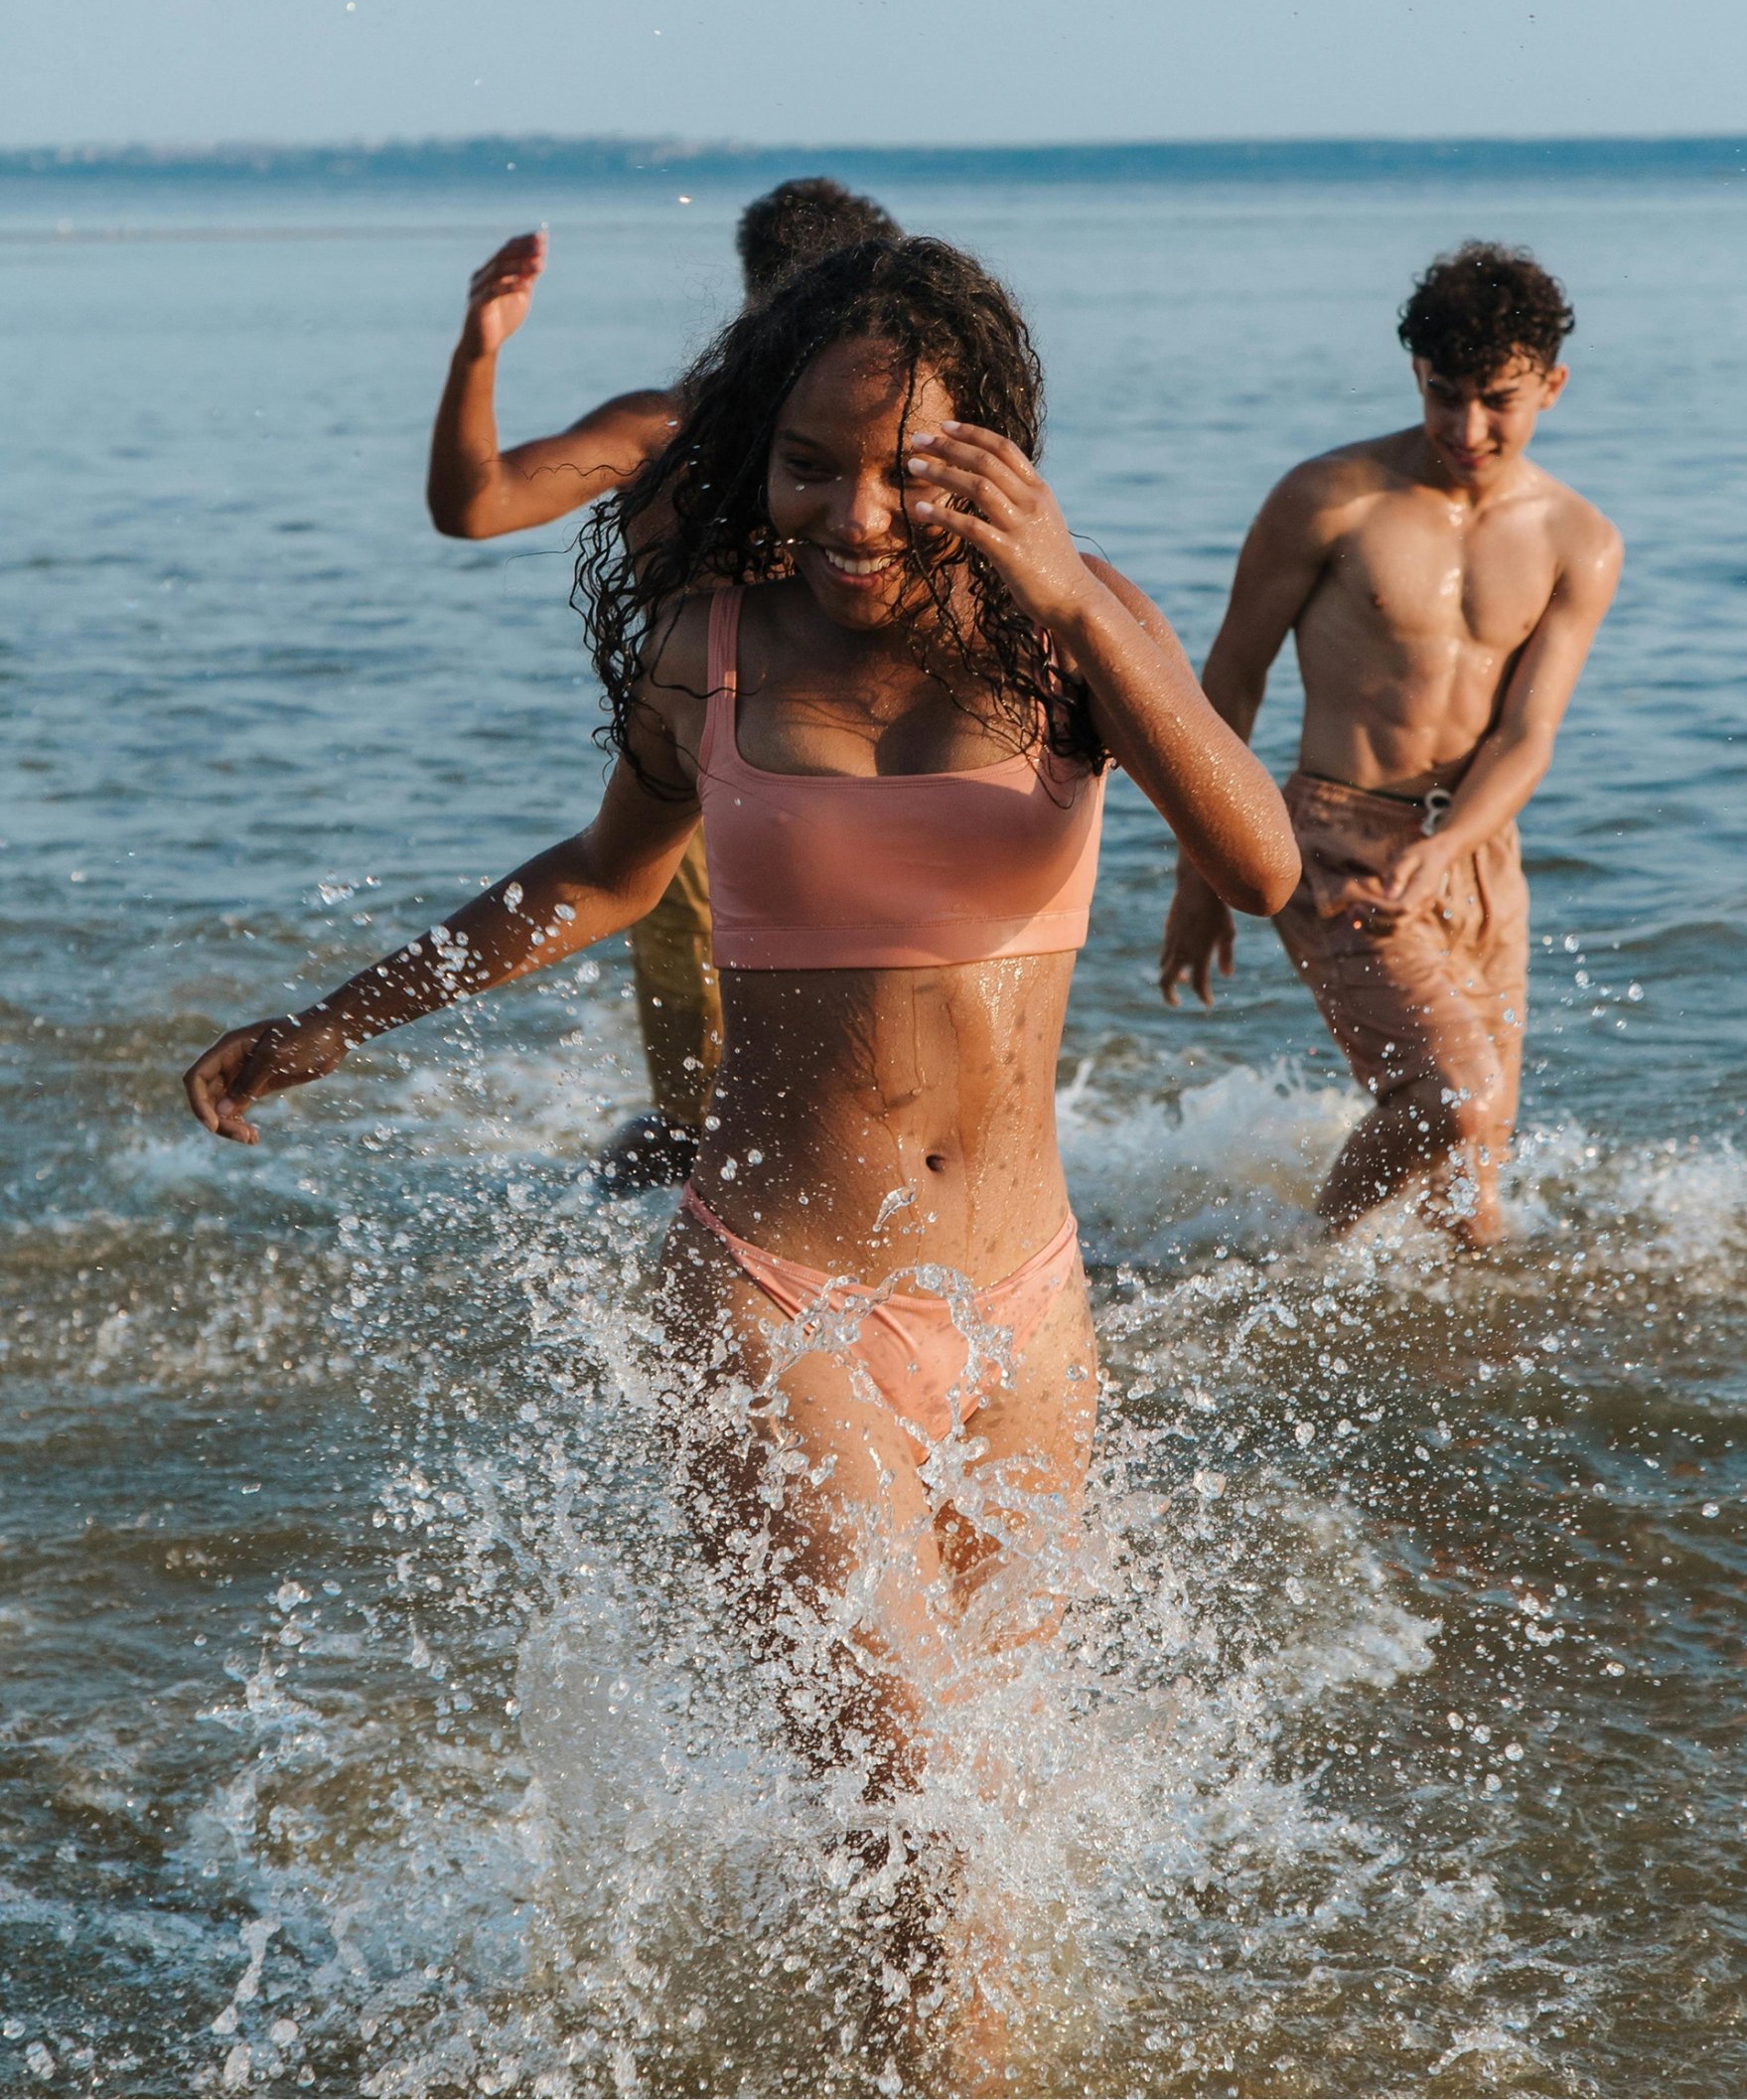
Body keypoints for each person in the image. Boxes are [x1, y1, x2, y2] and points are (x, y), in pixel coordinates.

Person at [187, 236, 1298, 2068]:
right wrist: (337, 1019)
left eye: (903, 469)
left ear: (992, 461)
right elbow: (600, 879)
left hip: (1028, 1308)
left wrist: (1082, 605)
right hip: (780, 1297)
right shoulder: (710, 644)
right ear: (754, 454)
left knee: (977, 1839)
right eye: (805, 463)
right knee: (914, 1826)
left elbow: (1255, 865)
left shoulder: (1069, 628)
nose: (849, 512)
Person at [425, 176, 901, 1189]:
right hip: (700, 801)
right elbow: (474, 506)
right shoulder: (668, 433)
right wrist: (481, 349)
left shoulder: (890, 452)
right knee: (713, 1111)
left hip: (863, 794)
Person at [1160, 240, 1622, 1249]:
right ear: (1414, 375)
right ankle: (1303, 1278)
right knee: (1454, 1094)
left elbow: (1527, 733)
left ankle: (1449, 1377)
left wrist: (1449, 848)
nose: (1465, 427)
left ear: (1551, 383)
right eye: (1441, 394)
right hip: (1332, 841)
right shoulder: (1328, 500)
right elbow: (1228, 681)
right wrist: (1201, 877)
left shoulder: (1576, 539)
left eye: (1497, 398)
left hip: (1475, 853)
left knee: (1476, 1189)